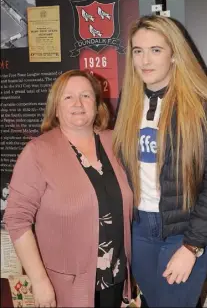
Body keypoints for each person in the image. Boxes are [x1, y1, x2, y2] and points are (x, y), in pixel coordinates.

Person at [113, 15, 207, 307]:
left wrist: (191, 246)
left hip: (182, 233)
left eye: (156, 50)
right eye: (138, 51)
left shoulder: (205, 108)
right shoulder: (128, 105)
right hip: (140, 228)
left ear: (175, 55)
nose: (145, 60)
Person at [4, 70, 133, 307]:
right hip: (66, 287)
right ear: (55, 106)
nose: (78, 103)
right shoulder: (37, 152)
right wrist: (39, 280)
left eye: (86, 95)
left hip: (114, 278)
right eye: (68, 97)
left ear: (96, 104)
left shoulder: (115, 143)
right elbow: (16, 219)